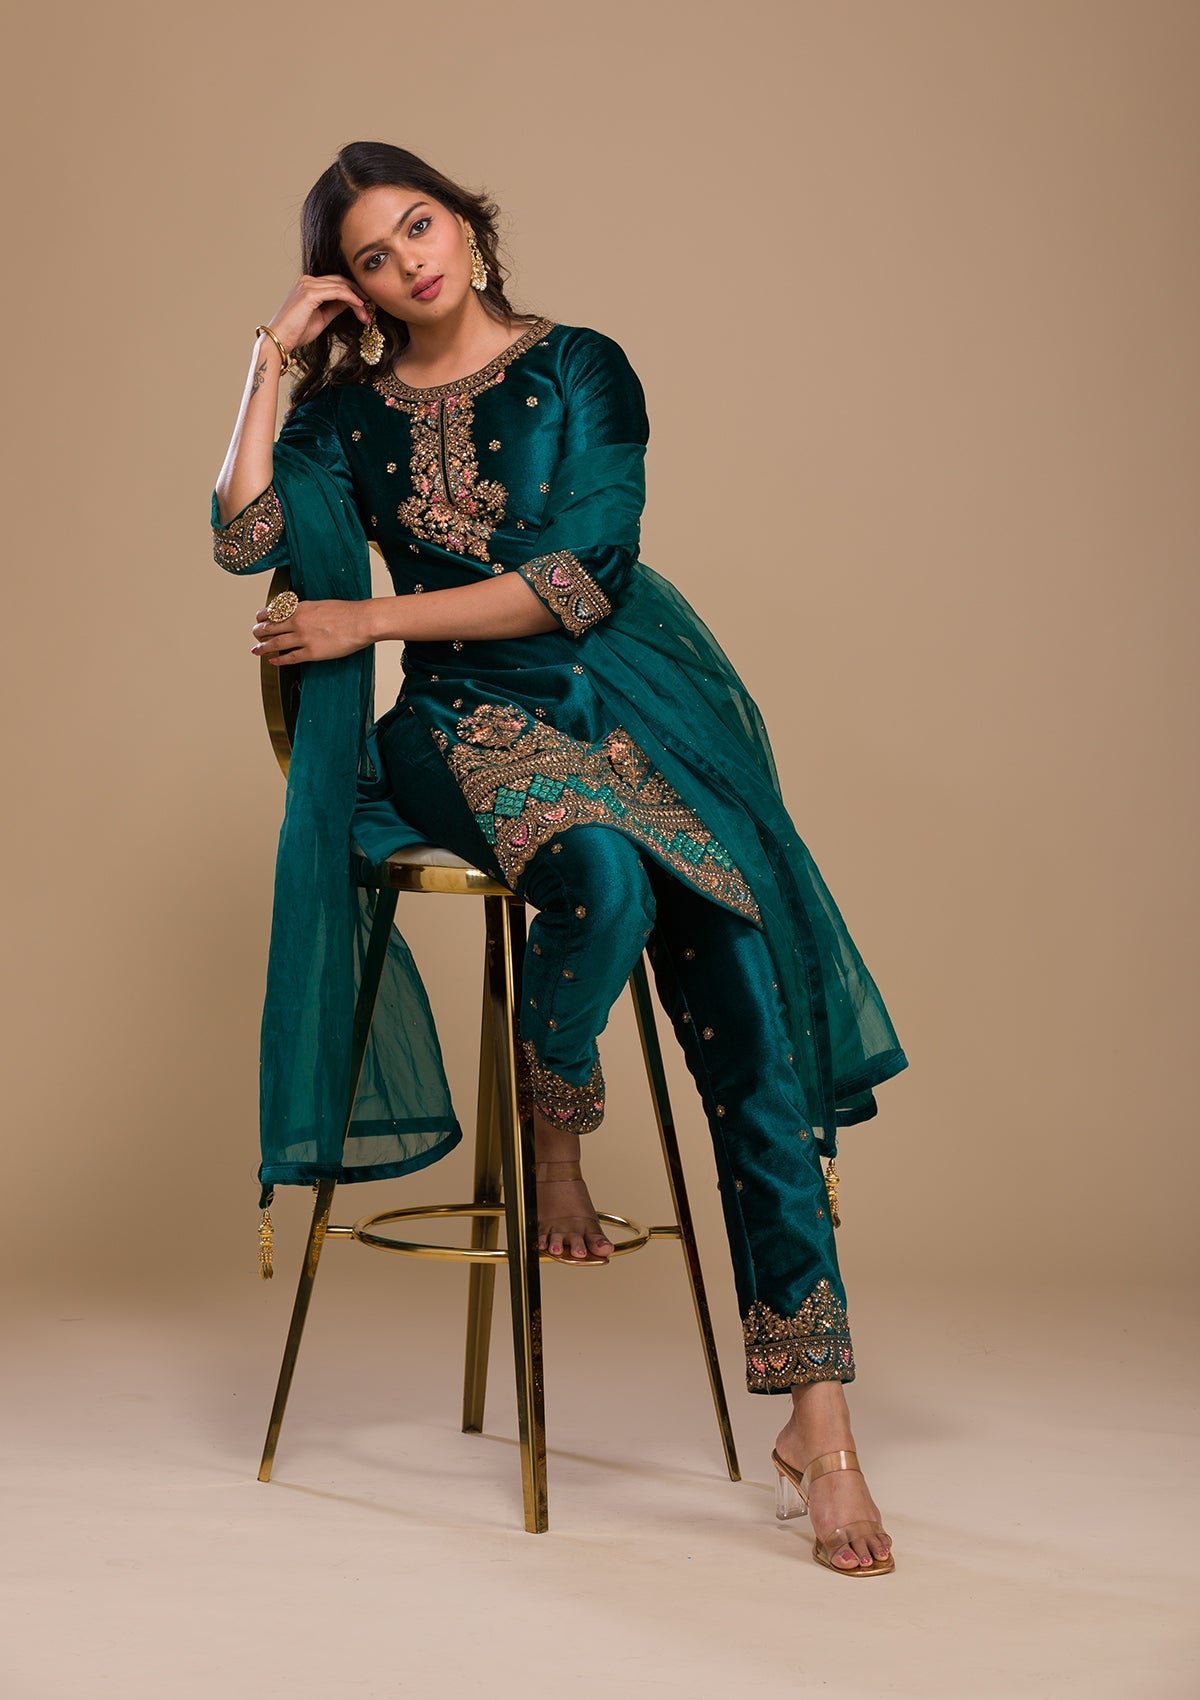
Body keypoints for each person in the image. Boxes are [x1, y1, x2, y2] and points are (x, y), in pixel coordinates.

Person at [211, 142, 909, 1576]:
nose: (408, 261)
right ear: (350, 289)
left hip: (624, 702)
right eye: (370, 257)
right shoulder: (346, 413)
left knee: (743, 987)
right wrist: (268, 362)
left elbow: (583, 576)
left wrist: (367, 622)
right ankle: (555, 1117)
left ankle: (822, 1419)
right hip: (457, 727)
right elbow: (243, 534)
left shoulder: (584, 367)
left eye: (419, 225)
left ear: (466, 220)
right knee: (597, 870)